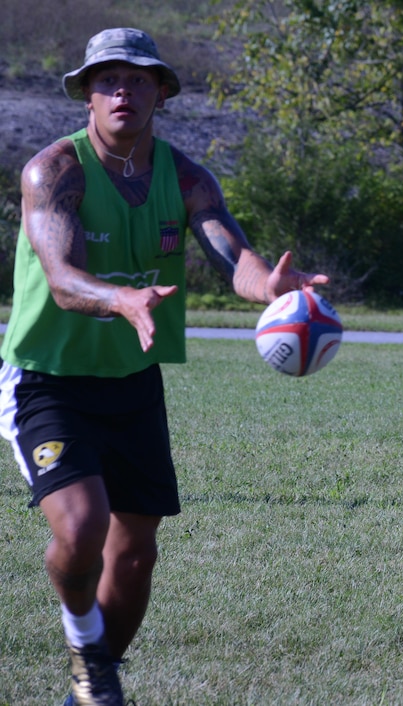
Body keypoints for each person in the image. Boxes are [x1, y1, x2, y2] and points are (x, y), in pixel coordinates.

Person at [0, 28, 328, 706]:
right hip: (47, 379)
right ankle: (84, 643)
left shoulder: (185, 178)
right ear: (87, 94)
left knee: (136, 555)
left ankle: (88, 692)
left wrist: (269, 287)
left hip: (133, 382)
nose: (124, 91)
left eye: (139, 80)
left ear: (162, 94)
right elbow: (62, 280)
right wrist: (119, 297)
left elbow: (231, 254)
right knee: (83, 526)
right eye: (109, 80)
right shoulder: (53, 171)